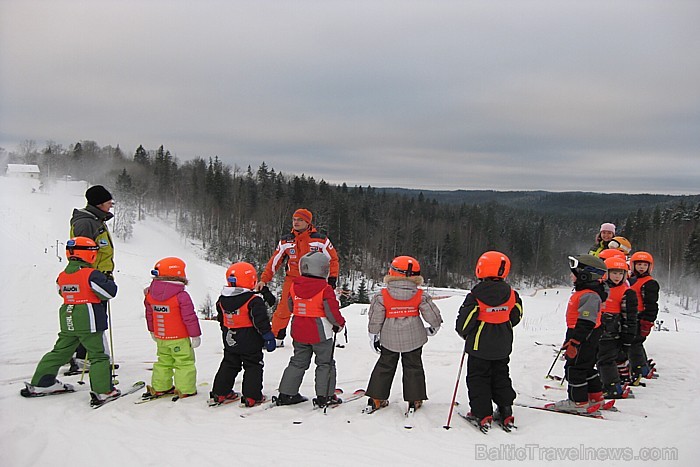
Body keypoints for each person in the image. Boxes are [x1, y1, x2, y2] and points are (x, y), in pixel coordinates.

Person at [20, 237, 119, 406]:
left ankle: (42, 383)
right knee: (98, 355)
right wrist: (108, 281)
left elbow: (62, 292)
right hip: (88, 318)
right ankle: (103, 391)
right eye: (94, 252)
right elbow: (109, 293)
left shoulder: (63, 275)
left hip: (68, 316)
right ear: (88, 254)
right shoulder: (91, 274)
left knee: (61, 351)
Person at [364, 256, 443, 414]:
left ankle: (376, 398)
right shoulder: (420, 295)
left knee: (385, 365)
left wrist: (373, 335)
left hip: (388, 338)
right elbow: (432, 315)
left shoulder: (382, 296)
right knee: (413, 366)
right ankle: (414, 400)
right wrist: (434, 326)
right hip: (414, 338)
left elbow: (375, 319)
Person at [455, 251, 522, 429]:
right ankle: (506, 410)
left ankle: (481, 413)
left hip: (479, 347)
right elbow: (516, 316)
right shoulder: (512, 294)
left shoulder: (475, 296)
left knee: (478, 379)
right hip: (502, 346)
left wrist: (466, 334)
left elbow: (464, 323)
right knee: (501, 376)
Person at [255, 208, 339, 347]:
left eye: (300, 220)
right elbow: (274, 262)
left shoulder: (320, 240)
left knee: (320, 308)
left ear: (308, 222)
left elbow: (333, 259)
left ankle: (328, 335)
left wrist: (332, 279)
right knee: (283, 309)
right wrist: (264, 279)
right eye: (294, 219)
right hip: (293, 280)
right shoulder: (286, 241)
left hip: (315, 280)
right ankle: (277, 337)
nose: (296, 222)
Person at [274, 252, 346, 408]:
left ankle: (286, 393)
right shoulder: (325, 289)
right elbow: (332, 312)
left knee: (298, 362)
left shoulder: (294, 285)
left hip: (299, 329)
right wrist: (340, 324)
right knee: (325, 363)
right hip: (320, 332)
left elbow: (291, 306)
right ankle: (325, 396)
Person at [209, 262, 278, 407]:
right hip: (250, 340)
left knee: (229, 363)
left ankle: (220, 392)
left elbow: (221, 319)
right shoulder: (253, 300)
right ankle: (252, 396)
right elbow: (261, 322)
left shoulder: (222, 299)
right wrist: (268, 336)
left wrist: (226, 330)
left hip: (230, 338)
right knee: (253, 366)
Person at [546, 254, 607, 415]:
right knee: (586, 367)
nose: (570, 276)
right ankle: (595, 397)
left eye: (573, 273)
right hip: (583, 335)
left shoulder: (589, 295)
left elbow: (586, 321)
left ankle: (577, 401)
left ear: (585, 275)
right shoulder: (587, 292)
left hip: (584, 336)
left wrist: (574, 341)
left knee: (574, 369)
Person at [67, 185, 116, 373]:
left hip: (99, 277)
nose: (111, 204)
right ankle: (84, 358)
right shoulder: (86, 223)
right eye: (108, 201)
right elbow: (81, 252)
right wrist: (90, 277)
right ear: (99, 203)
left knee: (94, 318)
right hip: (91, 279)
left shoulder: (96, 220)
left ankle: (84, 356)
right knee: (92, 320)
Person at [143, 257, 201, 400]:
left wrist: (152, 330)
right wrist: (195, 335)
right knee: (184, 362)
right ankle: (185, 389)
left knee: (163, 361)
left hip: (161, 337)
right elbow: (189, 317)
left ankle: (160, 387)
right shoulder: (181, 296)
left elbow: (149, 314)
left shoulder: (150, 295)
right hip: (179, 337)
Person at [597, 256, 637, 398]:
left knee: (606, 360)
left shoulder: (627, 292)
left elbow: (630, 317)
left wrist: (628, 336)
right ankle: (605, 382)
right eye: (614, 273)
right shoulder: (600, 288)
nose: (617, 277)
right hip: (600, 330)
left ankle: (613, 386)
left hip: (614, 332)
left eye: (621, 274)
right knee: (600, 358)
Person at [627, 251, 660, 382]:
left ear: (649, 267)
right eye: (639, 264)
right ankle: (640, 366)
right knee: (632, 343)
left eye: (644, 265)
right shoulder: (630, 280)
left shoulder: (649, 283)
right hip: (630, 316)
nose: (641, 267)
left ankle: (641, 368)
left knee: (634, 343)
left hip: (640, 317)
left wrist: (647, 322)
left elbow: (652, 305)